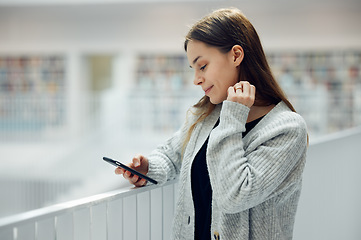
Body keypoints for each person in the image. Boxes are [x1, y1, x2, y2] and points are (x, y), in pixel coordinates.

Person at [115, 7, 308, 240]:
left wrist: (233, 116)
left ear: (236, 55)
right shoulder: (206, 114)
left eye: (202, 66)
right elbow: (173, 155)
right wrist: (147, 168)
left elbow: (235, 195)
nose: (196, 79)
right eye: (193, 69)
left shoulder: (287, 129)